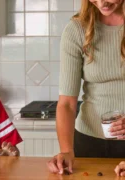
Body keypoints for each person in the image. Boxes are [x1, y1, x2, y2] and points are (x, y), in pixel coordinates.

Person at [47, 0, 125, 175]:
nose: (101, 3)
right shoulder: (76, 30)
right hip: (89, 143)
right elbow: (66, 103)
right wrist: (67, 151)